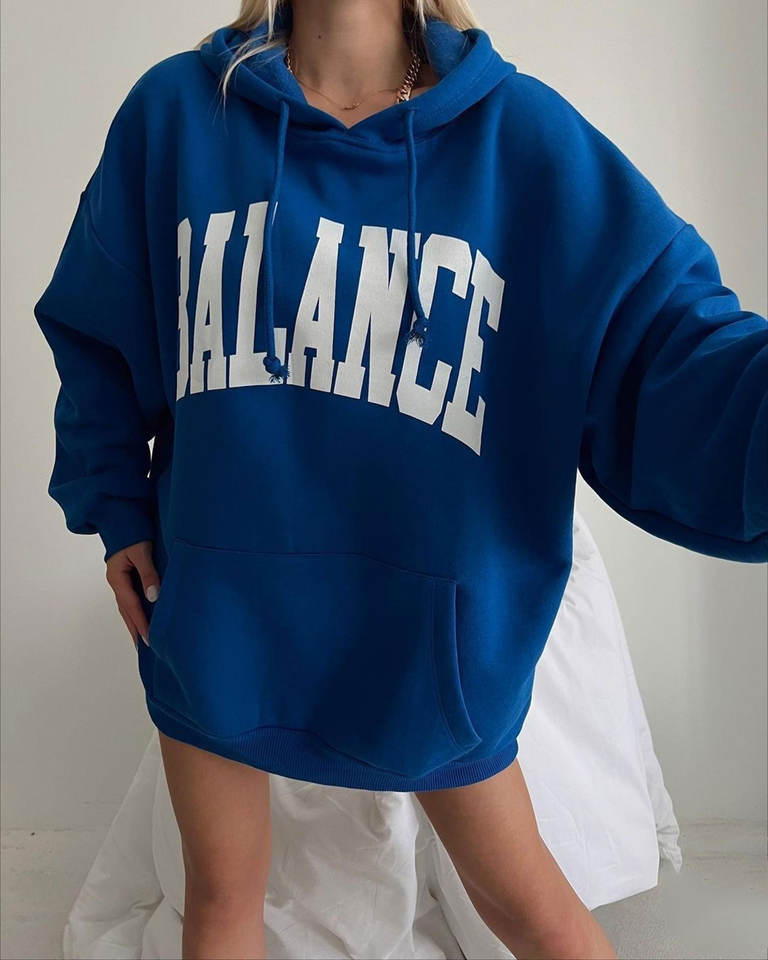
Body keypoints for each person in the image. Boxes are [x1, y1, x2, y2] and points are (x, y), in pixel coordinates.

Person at [34, 0, 767, 957]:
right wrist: (114, 506)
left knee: (532, 910)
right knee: (220, 903)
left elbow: (673, 351)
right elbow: (96, 325)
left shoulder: (524, 142)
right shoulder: (176, 114)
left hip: (429, 647)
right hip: (216, 622)